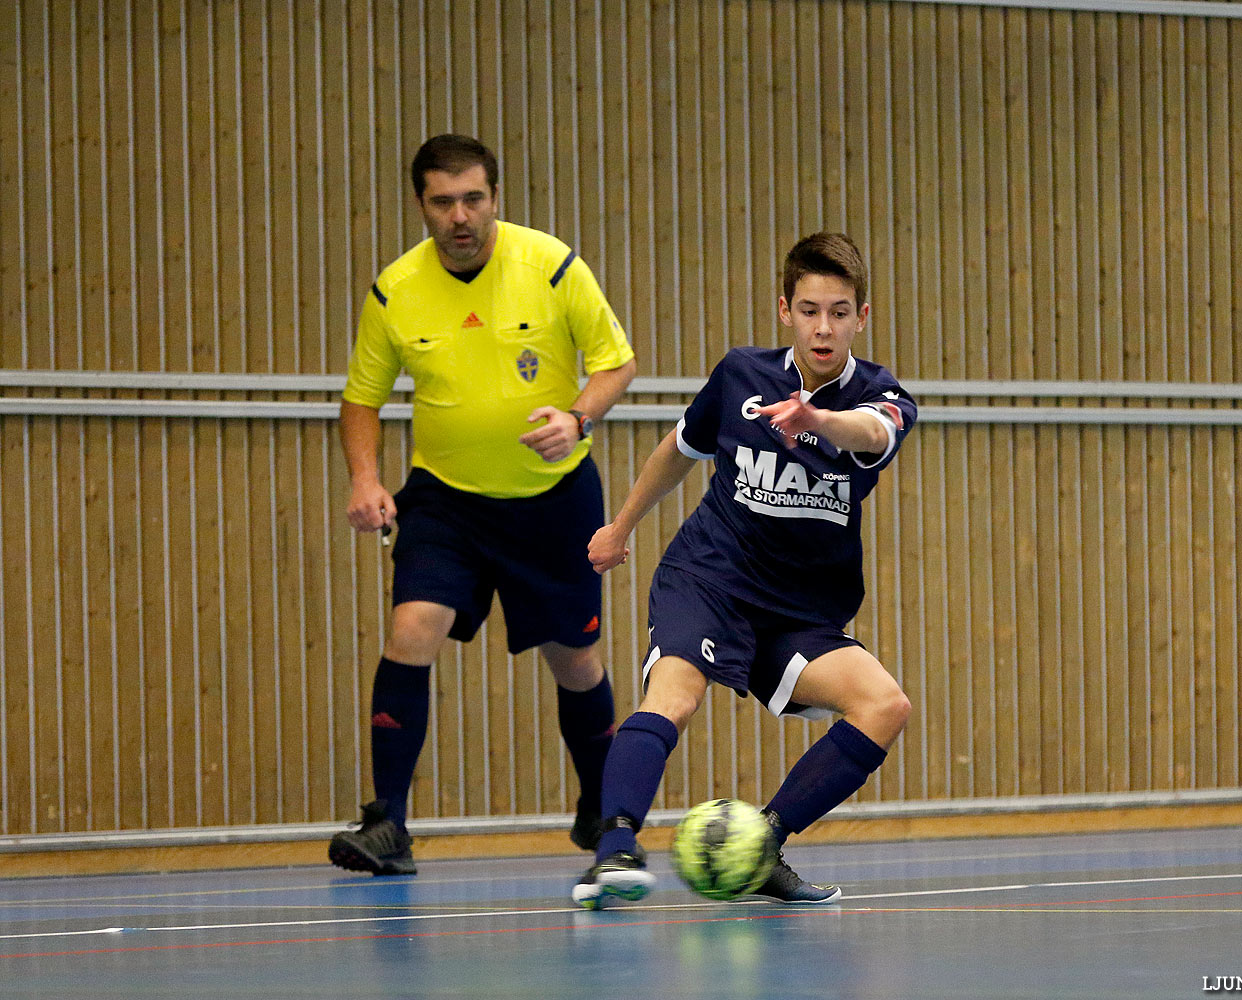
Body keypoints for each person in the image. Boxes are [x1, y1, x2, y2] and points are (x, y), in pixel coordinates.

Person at [570, 232, 917, 909]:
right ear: (784, 308)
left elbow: (873, 433)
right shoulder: (741, 375)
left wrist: (820, 419)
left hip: (800, 610)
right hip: (710, 577)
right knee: (675, 696)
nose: (824, 327)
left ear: (862, 317)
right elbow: (681, 448)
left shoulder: (883, 394)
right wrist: (622, 525)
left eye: (840, 312)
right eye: (811, 309)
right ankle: (612, 855)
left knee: (884, 706)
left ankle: (762, 845)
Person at [330, 134, 637, 875]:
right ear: (421, 206)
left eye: (473, 198)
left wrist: (578, 418)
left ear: (495, 198)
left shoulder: (552, 266)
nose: (460, 215)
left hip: (555, 500)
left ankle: (601, 809)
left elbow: (615, 361)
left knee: (576, 659)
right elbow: (361, 400)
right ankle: (388, 826)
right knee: (413, 629)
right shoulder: (394, 292)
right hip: (447, 502)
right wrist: (366, 479)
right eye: (443, 201)